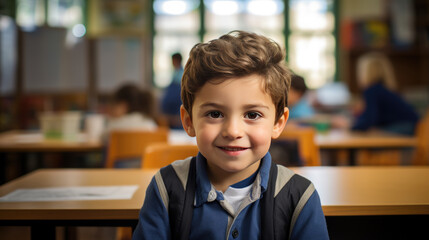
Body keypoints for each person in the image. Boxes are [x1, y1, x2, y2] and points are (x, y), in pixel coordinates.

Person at [132, 31, 329, 240]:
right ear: (188, 121)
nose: (233, 131)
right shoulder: (166, 188)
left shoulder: (299, 196)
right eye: (215, 114)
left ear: (278, 123)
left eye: (252, 115)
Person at [336, 52, 419, 135]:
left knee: (369, 135)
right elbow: (370, 117)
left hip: (406, 129)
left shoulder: (372, 90)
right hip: (413, 127)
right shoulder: (383, 89)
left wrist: (349, 126)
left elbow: (369, 120)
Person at [161, 52, 184, 129]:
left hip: (176, 115)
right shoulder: (175, 73)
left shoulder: (181, 74)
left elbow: (177, 96)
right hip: (171, 114)